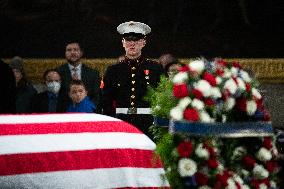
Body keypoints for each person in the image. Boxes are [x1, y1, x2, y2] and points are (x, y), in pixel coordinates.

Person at [102, 21, 165, 138]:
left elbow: (163, 97)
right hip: (121, 124)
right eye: (128, 40)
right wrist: (110, 124)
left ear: (143, 42)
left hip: (148, 125)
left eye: (136, 40)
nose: (132, 44)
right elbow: (106, 101)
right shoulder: (113, 70)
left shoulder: (156, 68)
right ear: (123, 43)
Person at [57, 41, 101, 113]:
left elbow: (97, 96)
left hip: (88, 113)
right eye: (69, 50)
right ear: (65, 53)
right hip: (65, 114)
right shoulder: (58, 72)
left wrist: (88, 109)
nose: (72, 52)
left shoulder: (93, 73)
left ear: (81, 53)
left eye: (75, 50)